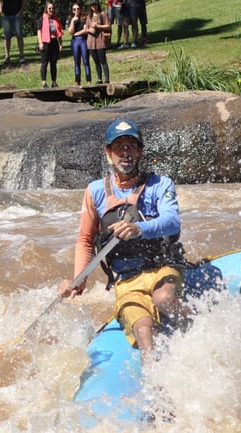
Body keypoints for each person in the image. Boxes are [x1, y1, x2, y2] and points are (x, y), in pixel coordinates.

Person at [58, 119, 189, 363]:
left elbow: (172, 222)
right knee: (143, 331)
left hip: (163, 265)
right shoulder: (95, 191)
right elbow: (86, 239)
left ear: (140, 151)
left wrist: (139, 228)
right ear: (109, 153)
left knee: (163, 299)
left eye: (131, 146)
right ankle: (155, 384)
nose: (125, 153)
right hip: (127, 278)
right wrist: (78, 279)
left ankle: (195, 325)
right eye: (119, 147)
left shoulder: (160, 185)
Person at [37, 3, 63, 88]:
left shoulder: (56, 19)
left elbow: (59, 32)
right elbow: (39, 31)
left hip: (54, 41)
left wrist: (60, 44)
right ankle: (44, 82)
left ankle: (54, 82)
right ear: (46, 9)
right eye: (49, 8)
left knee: (53, 63)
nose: (51, 10)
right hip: (45, 42)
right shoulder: (42, 19)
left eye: (52, 8)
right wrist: (40, 43)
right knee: (45, 63)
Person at [85, 2, 111, 84]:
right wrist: (89, 30)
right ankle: (99, 79)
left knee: (103, 60)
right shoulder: (89, 16)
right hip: (91, 42)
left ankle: (107, 79)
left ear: (98, 5)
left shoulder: (102, 14)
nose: (94, 6)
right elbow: (86, 28)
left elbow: (108, 25)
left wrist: (98, 26)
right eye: (92, 5)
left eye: (95, 4)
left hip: (100, 41)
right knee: (96, 61)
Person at [66, 3, 91, 85]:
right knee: (76, 62)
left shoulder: (84, 18)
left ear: (80, 9)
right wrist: (73, 21)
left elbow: (85, 30)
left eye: (78, 9)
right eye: (74, 9)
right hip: (75, 42)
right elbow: (70, 31)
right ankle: (77, 81)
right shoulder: (71, 19)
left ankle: (88, 80)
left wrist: (77, 34)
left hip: (83, 40)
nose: (76, 11)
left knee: (86, 61)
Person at [0, 0, 27, 65]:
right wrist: (0, 8)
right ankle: (7, 56)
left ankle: (21, 56)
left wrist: (20, 12)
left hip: (17, 15)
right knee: (7, 37)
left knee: (19, 36)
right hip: (6, 15)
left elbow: (24, 1)